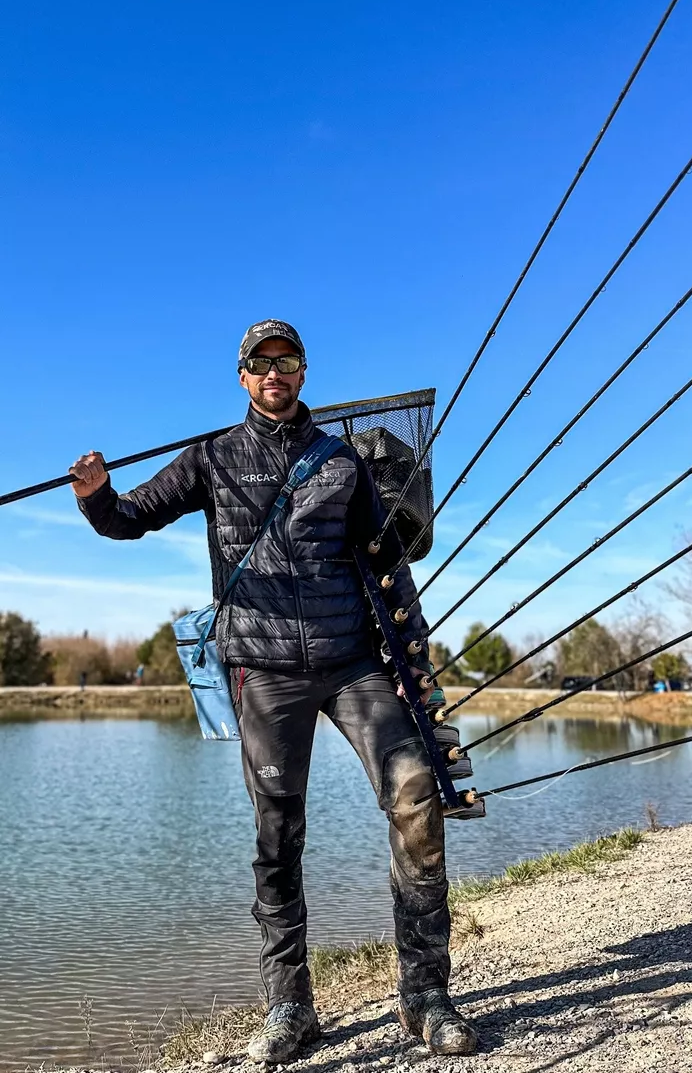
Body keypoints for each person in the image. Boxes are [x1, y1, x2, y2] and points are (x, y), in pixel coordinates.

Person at [70, 320, 477, 1065]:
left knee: (416, 792)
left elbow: (391, 551)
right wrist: (99, 498)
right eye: (261, 364)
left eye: (287, 362)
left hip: (353, 664)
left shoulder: (343, 462)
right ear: (243, 376)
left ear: (303, 371)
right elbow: (131, 519)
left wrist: (405, 507)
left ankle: (426, 996)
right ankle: (291, 1006)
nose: (275, 374)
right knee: (277, 835)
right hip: (264, 674)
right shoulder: (211, 459)